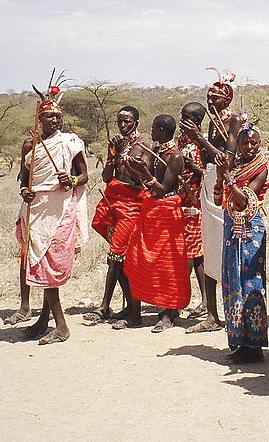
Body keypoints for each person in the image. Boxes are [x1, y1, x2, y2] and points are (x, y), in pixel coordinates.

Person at [16, 93, 89, 345]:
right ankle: (44, 321)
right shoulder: (30, 145)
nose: (55, 120)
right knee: (37, 263)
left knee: (49, 265)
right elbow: (25, 179)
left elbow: (84, 175)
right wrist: (24, 192)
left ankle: (61, 326)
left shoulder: (70, 142)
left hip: (60, 208)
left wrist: (72, 180)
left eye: (58, 116)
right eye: (49, 116)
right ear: (40, 118)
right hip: (35, 209)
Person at [180, 71, 243, 333]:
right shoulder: (211, 122)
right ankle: (212, 315)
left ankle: (231, 313)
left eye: (215, 97)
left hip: (226, 187)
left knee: (225, 247)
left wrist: (200, 139)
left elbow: (227, 157)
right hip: (209, 184)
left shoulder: (234, 122)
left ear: (226, 99)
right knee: (208, 244)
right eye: (208, 96)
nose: (210, 100)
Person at [122, 114, 191, 332]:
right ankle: (135, 315)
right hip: (150, 210)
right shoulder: (157, 150)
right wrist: (132, 166)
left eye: (153, 127)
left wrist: (143, 172)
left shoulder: (176, 156)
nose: (151, 130)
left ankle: (168, 314)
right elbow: (145, 181)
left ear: (161, 129)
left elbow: (163, 188)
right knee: (136, 260)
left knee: (167, 266)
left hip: (167, 214)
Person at [85, 106, 146, 325]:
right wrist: (112, 156)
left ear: (136, 123)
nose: (122, 125)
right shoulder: (117, 145)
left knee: (115, 256)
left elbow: (141, 178)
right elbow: (106, 177)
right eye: (119, 122)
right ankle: (130, 307)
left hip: (132, 205)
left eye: (127, 121)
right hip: (113, 202)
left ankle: (104, 306)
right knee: (120, 258)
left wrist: (124, 154)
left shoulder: (144, 146)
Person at [214, 122, 269, 363]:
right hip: (231, 230)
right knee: (233, 282)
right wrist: (221, 178)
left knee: (251, 282)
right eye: (244, 142)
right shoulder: (234, 165)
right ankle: (239, 342)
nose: (249, 146)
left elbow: (245, 200)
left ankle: (254, 346)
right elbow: (219, 199)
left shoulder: (262, 167)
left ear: (259, 144)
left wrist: (227, 178)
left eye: (253, 143)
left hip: (251, 230)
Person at [178, 102, 209, 318]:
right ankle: (204, 300)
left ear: (197, 122)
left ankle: (178, 299)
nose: (182, 122)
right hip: (180, 202)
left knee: (192, 254)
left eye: (187, 118)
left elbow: (209, 173)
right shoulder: (180, 141)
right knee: (195, 255)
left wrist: (192, 165)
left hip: (196, 203)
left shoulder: (203, 143)